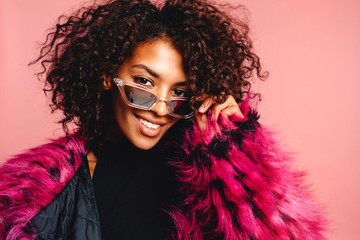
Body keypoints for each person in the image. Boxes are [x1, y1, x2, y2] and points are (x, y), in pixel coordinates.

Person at [0, 0, 326, 239]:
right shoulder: (40, 188)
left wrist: (235, 152)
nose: (160, 108)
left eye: (179, 93)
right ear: (105, 74)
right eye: (144, 83)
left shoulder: (206, 174)